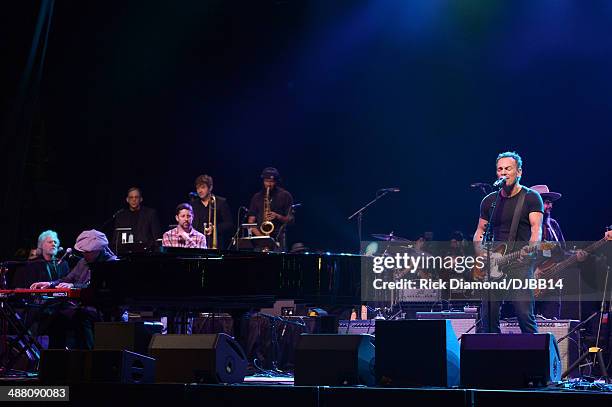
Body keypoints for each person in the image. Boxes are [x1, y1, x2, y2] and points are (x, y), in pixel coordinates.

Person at [473, 151, 543, 333]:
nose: (503, 172)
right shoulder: (490, 201)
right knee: (488, 317)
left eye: (508, 169)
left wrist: (532, 249)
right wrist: (481, 256)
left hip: (519, 263)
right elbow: (480, 232)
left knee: (524, 315)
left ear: (519, 172)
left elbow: (536, 229)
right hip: (495, 264)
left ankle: (535, 357)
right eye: (500, 169)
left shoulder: (531, 197)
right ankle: (493, 356)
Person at [30, 230, 117, 349]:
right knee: (56, 319)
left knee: (81, 318)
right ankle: (55, 362)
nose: (84, 254)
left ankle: (88, 358)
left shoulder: (111, 263)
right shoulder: (83, 261)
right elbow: (68, 279)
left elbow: (98, 288)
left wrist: (74, 286)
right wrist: (50, 284)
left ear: (98, 250)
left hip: (102, 310)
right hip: (81, 307)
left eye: (87, 252)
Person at [247, 167, 294, 250]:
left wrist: (277, 216)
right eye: (266, 181)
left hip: (278, 241)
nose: (268, 184)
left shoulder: (285, 195)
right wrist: (263, 238)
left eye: (271, 181)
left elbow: (291, 220)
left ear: (276, 181)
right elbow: (251, 222)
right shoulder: (257, 197)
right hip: (260, 242)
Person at [190, 175, 233, 249]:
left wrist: (214, 228)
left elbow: (229, 224)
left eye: (203, 187)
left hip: (217, 246)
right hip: (197, 245)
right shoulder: (193, 205)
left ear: (210, 188)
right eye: (198, 188)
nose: (200, 191)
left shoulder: (220, 202)